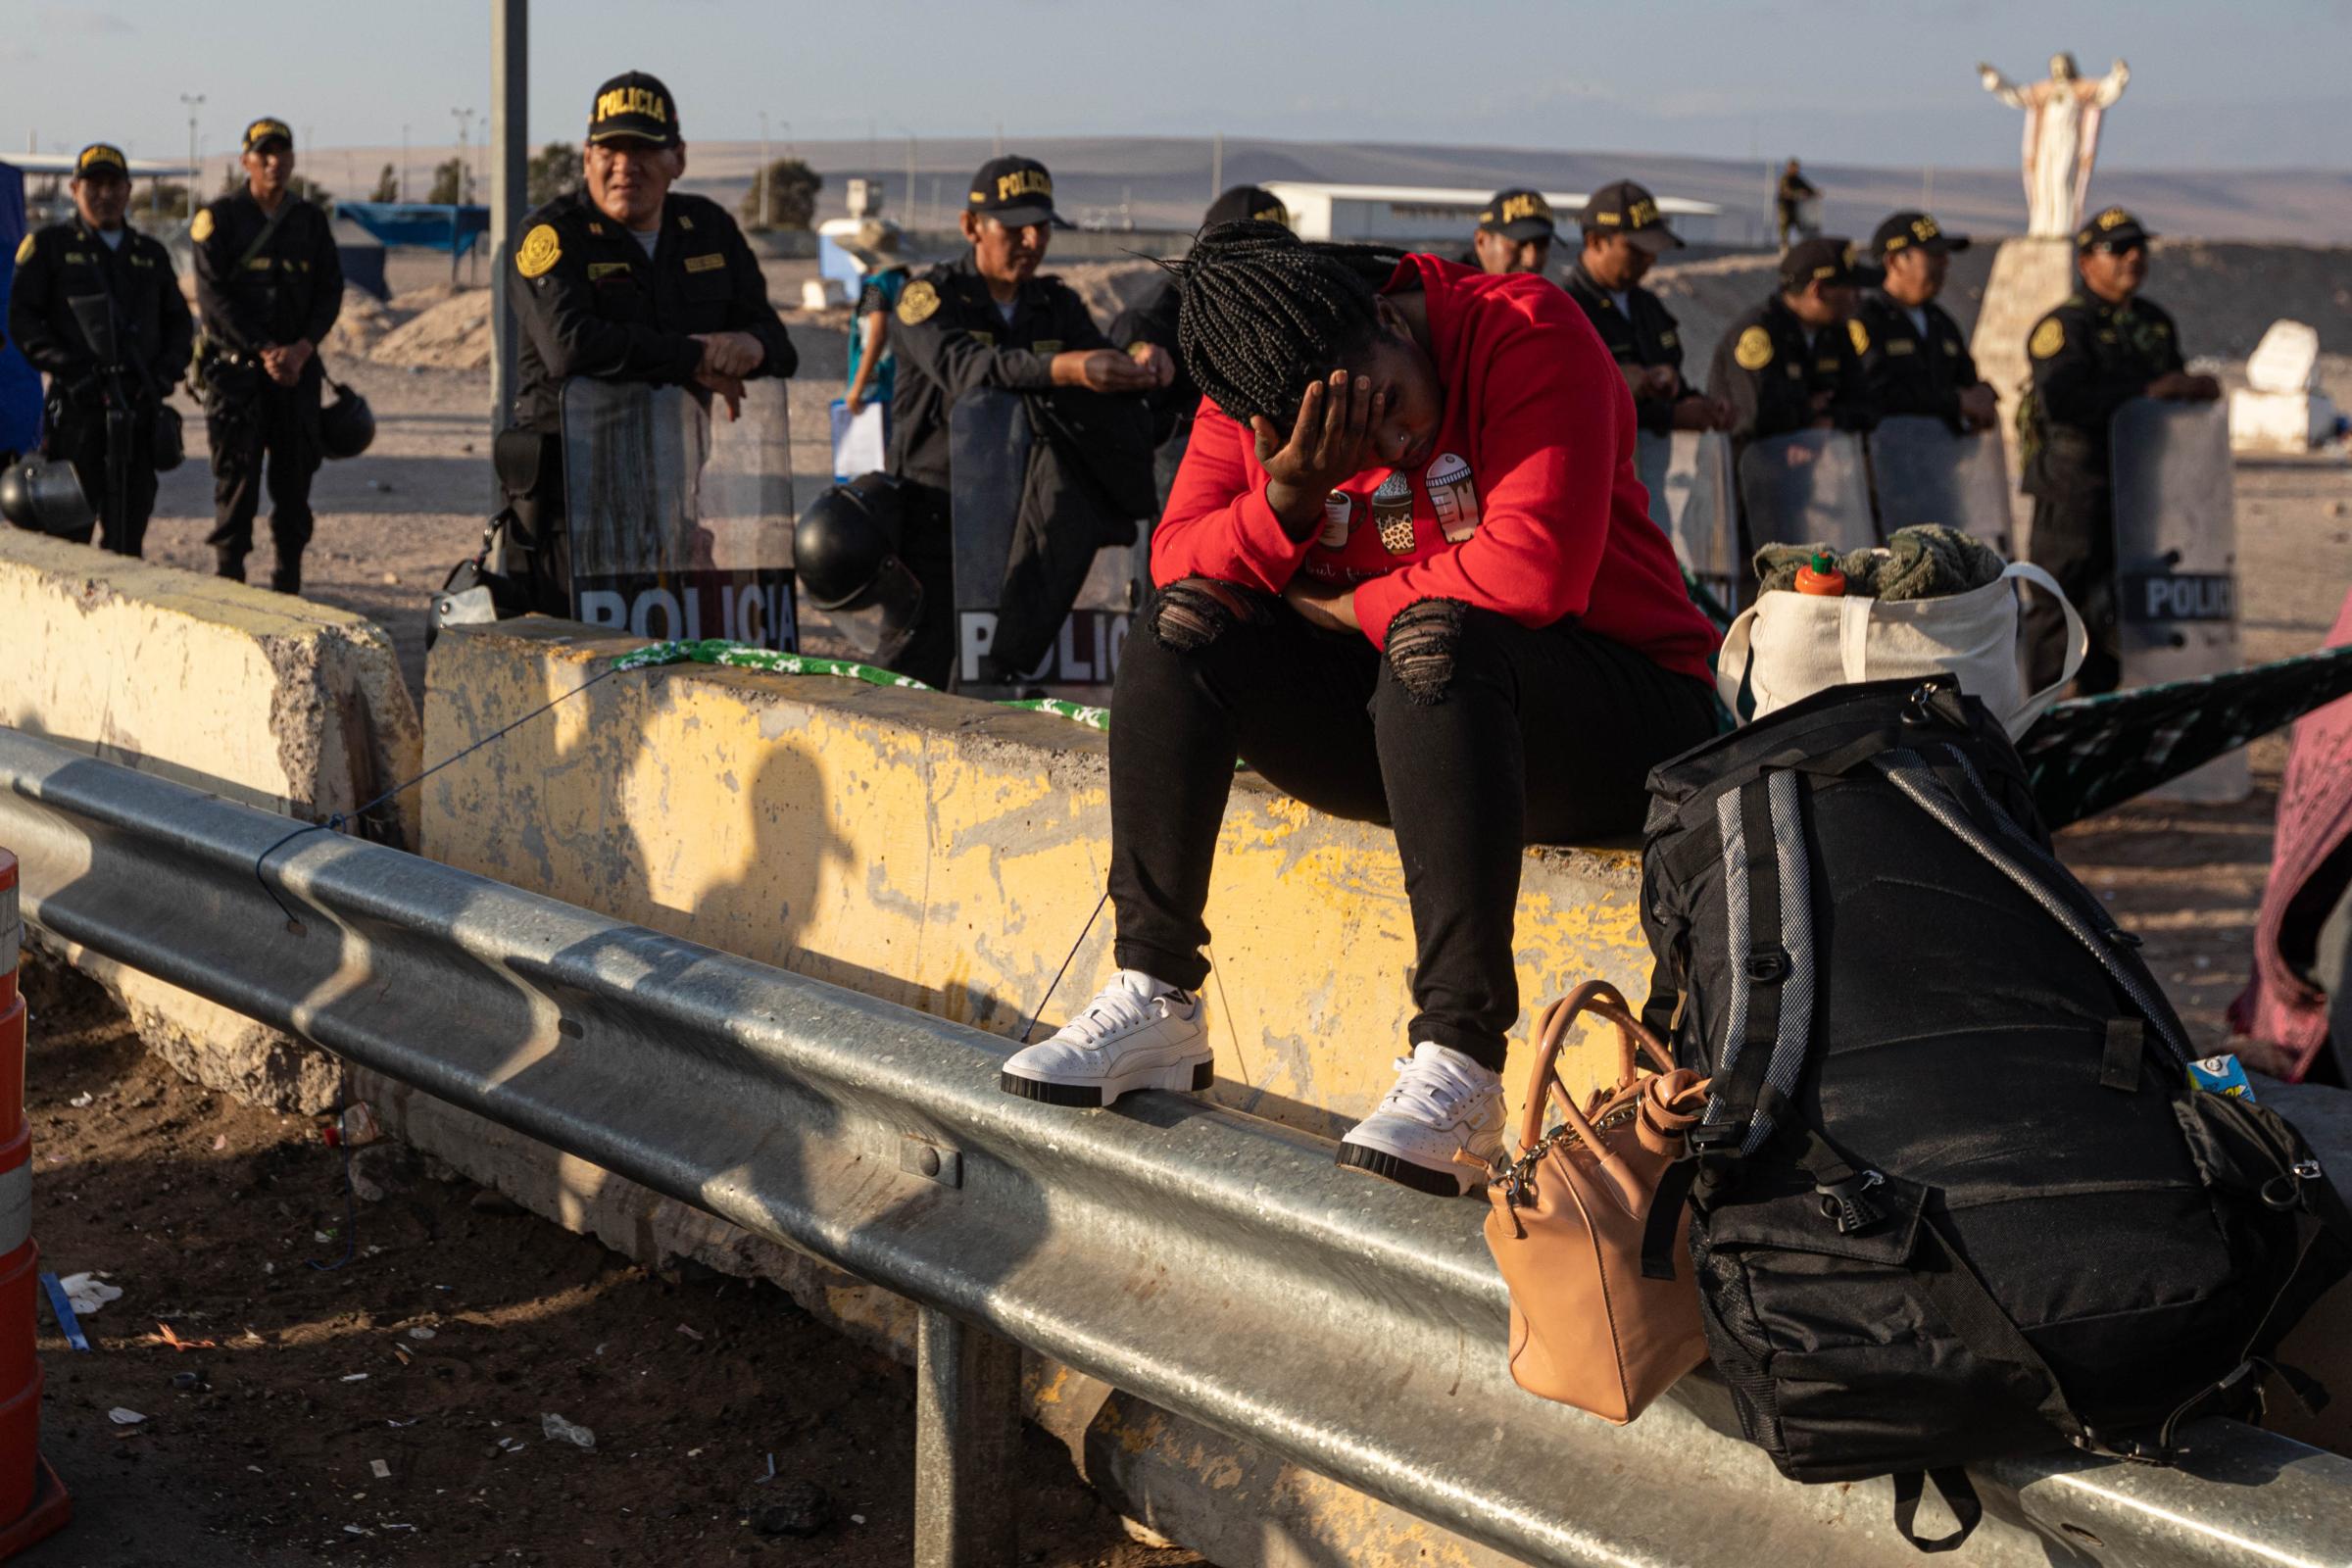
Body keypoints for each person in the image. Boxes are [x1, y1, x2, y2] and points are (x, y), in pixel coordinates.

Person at [996, 221, 1723, 1196]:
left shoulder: (1527, 328)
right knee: (1189, 621)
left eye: (1385, 405)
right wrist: (1288, 499)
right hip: (1422, 728)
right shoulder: (1251, 391)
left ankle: (1462, 1059)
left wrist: (1344, 605)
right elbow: (1177, 556)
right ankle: (1156, 991)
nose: (1388, 447)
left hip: (1620, 717)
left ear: (1387, 315)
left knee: (1436, 634)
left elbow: (1535, 570)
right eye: (1351, 443)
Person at [504, 72, 798, 610]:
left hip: (672, 496)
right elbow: (572, 347)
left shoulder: (708, 229)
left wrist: (749, 347)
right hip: (569, 509)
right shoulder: (550, 236)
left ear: (678, 158)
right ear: (587, 156)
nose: (626, 166)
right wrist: (695, 357)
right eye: (611, 149)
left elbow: (777, 341)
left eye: (644, 149)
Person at [884, 154, 1171, 686]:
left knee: (998, 674)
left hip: (1019, 518)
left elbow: (1098, 353)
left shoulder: (1054, 302)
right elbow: (966, 369)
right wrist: (1063, 368)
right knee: (918, 673)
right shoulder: (928, 299)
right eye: (1014, 228)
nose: (1032, 242)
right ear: (971, 227)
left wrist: (1138, 357)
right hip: (937, 516)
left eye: (1041, 228)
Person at [2020, 206, 2219, 695]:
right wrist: (2148, 391)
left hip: (2141, 489)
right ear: (2086, 261)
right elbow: (2064, 401)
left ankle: (2105, 706)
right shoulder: (2066, 327)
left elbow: (2170, 386)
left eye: (2140, 248)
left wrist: (2189, 392)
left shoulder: (2153, 323)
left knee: (2121, 606)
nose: (2133, 257)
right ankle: (2037, 719)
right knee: (2057, 602)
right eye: (2118, 248)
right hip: (2074, 490)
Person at [7, 142, 192, 557]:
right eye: (94, 185)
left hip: (138, 411)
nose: (104, 194)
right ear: (74, 189)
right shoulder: (50, 248)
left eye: (113, 185)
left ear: (128, 190)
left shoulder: (150, 255)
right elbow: (22, 319)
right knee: (68, 541)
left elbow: (180, 324)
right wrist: (70, 370)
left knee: (128, 540)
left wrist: (162, 376)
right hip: (78, 413)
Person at [192, 117, 342, 592]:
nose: (274, 162)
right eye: (264, 154)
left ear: (293, 159)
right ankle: (230, 585)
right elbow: (214, 300)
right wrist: (263, 350)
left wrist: (301, 349)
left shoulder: (310, 221)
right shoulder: (220, 219)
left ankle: (287, 585)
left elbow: (329, 290)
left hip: (296, 375)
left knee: (295, 486)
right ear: (245, 162)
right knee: (236, 485)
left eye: (282, 152)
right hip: (237, 377)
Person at [1110, 184, 1289, 492]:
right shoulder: (1159, 311)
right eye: (1253, 255)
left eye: (1276, 254)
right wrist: (1142, 358)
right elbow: (1131, 355)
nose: (1267, 268)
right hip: (1181, 481)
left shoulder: (1271, 307)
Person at [1560, 179, 1727, 435]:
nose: (1650, 259)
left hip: (1651, 466)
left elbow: (1670, 377)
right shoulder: (1566, 312)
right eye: (1636, 249)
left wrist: (1695, 401)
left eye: (1652, 250)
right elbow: (1572, 406)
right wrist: (1670, 417)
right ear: (1596, 242)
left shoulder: (1647, 306)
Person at [1706, 235, 1874, 455]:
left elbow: (1867, 406)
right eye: (1851, 289)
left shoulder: (1834, 333)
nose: (1858, 298)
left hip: (1803, 478)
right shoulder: (1759, 334)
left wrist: (1831, 419)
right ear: (1818, 291)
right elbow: (1755, 417)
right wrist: (1808, 409)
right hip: (1747, 476)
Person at [1853, 211, 1997, 429]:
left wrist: (1983, 394)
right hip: (1887, 456)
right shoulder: (1866, 321)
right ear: (1895, 261)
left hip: (1938, 457)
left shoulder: (1941, 322)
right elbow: (1874, 393)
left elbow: (1965, 380)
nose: (1945, 263)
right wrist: (1955, 402)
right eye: (1934, 255)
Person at [844, 218, 907, 421]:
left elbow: (877, 335)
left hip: (878, 383)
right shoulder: (902, 281)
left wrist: (858, 386)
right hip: (901, 379)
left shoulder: (875, 288)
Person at [1468, 187, 1554, 275]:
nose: (1531, 261)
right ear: (1481, 241)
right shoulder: (1456, 287)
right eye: (1521, 243)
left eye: (1542, 245)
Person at [1775, 159, 1819, 255]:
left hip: (1794, 208)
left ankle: (1805, 246)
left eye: (1797, 168)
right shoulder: (1785, 179)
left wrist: (1815, 192)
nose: (1796, 170)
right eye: (1794, 168)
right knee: (1784, 227)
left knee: (1800, 227)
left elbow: (1808, 188)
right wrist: (1797, 193)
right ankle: (1784, 248)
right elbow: (1786, 191)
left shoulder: (1797, 179)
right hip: (1784, 208)